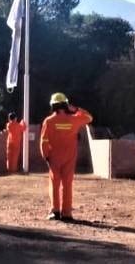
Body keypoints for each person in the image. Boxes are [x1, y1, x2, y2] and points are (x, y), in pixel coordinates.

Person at [39, 93, 93, 222]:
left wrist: (46, 156)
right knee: (67, 185)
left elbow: (44, 140)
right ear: (65, 104)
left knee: (54, 184)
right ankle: (67, 213)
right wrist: (76, 109)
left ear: (52, 105)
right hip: (70, 158)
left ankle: (55, 212)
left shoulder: (49, 121)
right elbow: (89, 118)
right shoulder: (74, 119)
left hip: (54, 158)